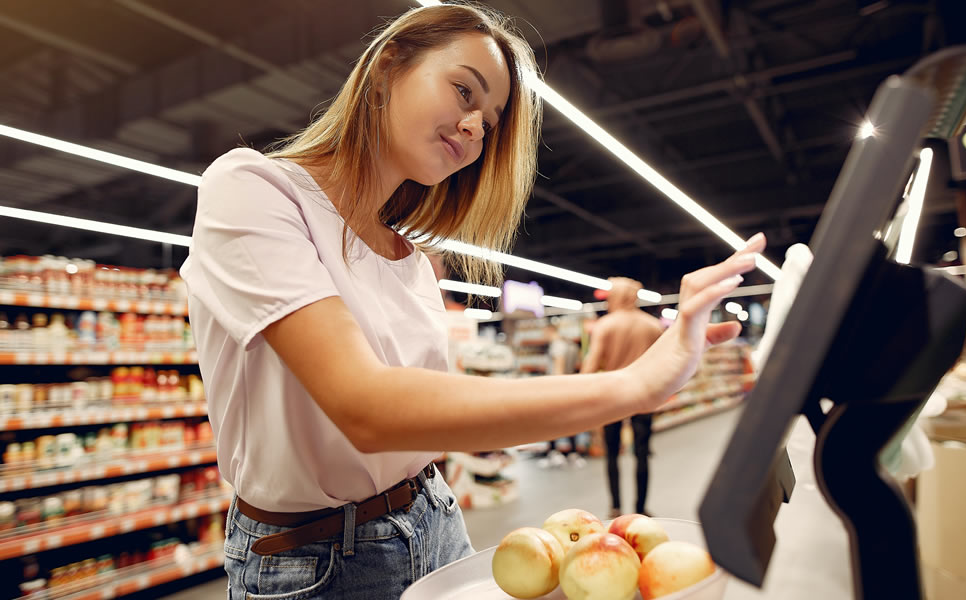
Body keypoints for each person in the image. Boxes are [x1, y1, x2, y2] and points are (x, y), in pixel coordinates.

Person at [180, 4, 766, 598]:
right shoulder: (253, 189)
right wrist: (634, 385)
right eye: (464, 91)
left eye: (489, 122)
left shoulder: (409, 259)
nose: (474, 128)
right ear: (387, 68)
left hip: (434, 517)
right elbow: (365, 407)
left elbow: (431, 411)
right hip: (315, 559)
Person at [580, 277, 665, 518]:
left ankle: (615, 507)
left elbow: (590, 366)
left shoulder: (605, 325)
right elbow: (662, 364)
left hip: (612, 397)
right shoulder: (652, 326)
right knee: (642, 454)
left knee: (612, 454)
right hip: (644, 396)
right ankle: (641, 509)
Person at [538, 322, 587, 469]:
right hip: (568, 386)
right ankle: (572, 453)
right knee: (570, 421)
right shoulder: (569, 344)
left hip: (557, 388)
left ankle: (554, 453)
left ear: (549, 330)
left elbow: (558, 368)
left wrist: (553, 389)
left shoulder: (557, 345)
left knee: (551, 422)